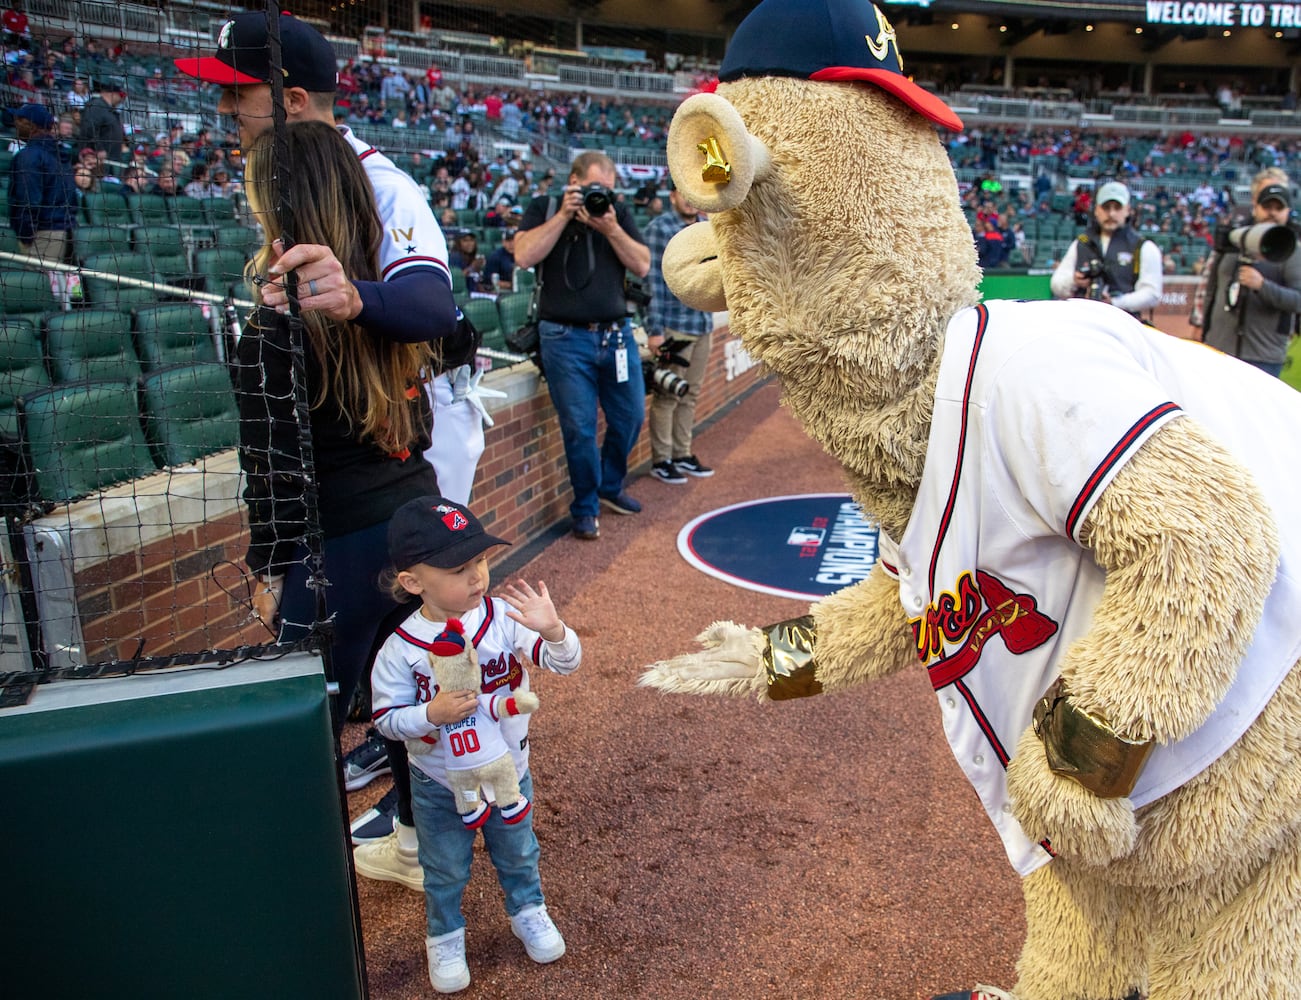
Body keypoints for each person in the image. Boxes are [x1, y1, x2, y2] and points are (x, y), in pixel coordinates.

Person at [176, 9, 477, 885]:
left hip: (367, 494)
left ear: (292, 99)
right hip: (405, 478)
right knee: (417, 667)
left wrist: (270, 562)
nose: (228, 118)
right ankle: (422, 810)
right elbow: (440, 331)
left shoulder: (383, 190)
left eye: (240, 99)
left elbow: (431, 314)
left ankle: (325, 851)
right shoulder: (331, 224)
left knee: (330, 690)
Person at [370, 495, 580, 995]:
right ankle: (444, 935)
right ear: (413, 582)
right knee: (443, 868)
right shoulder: (400, 648)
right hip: (439, 781)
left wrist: (553, 630)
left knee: (519, 852)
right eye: (458, 567)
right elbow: (384, 720)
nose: (477, 576)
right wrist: (429, 715)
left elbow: (566, 664)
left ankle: (527, 911)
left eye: (481, 560)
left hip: (510, 768)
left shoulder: (504, 616)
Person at [513, 151, 651, 540]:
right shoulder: (544, 207)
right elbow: (524, 255)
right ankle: (586, 507)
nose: (600, 196)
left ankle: (609, 486)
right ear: (573, 182)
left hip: (616, 335)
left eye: (606, 190)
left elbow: (641, 264)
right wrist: (562, 216)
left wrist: (609, 228)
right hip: (563, 338)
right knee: (580, 428)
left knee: (630, 417)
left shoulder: (615, 214)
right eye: (592, 188)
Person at [643, 182, 715, 485]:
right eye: (682, 194)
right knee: (667, 394)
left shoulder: (705, 227)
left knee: (691, 393)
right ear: (672, 196)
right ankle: (662, 459)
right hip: (674, 324)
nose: (688, 200)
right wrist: (655, 330)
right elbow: (653, 283)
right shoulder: (660, 228)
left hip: (701, 324)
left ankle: (682, 453)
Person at [1196, 171, 1301, 378]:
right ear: (1255, 206)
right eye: (1267, 207)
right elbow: (1212, 287)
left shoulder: (1293, 250)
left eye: (1278, 208)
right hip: (1218, 347)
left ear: (1288, 211)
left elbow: (1298, 300)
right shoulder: (1234, 238)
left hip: (1263, 354)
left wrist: (1262, 286)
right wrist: (1203, 327)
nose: (1272, 213)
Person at [1050, 180, 1162, 321]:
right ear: (1097, 210)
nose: (1111, 213)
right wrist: (1075, 281)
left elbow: (1152, 293)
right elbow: (1056, 284)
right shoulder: (1082, 243)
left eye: (1117, 207)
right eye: (1106, 207)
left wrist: (1115, 302)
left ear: (1127, 210)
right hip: (1083, 322)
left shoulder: (1143, 247)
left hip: (1124, 324)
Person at [7, 103, 76, 266]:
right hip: (66, 231)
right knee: (63, 287)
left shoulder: (29, 156)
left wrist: (25, 235)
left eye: (20, 121)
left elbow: (29, 200)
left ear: (31, 126)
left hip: (43, 236)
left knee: (43, 287)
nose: (16, 125)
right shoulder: (60, 153)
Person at [76, 78, 126, 160]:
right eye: (121, 95)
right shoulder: (96, 105)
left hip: (110, 160)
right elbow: (88, 129)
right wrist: (99, 149)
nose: (122, 99)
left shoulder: (108, 109)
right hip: (95, 159)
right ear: (111, 93)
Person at [481, 228, 516, 293]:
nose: (512, 244)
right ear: (503, 242)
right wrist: (510, 285)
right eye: (508, 241)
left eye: (514, 240)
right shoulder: (495, 256)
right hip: (502, 290)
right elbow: (489, 280)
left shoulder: (523, 255)